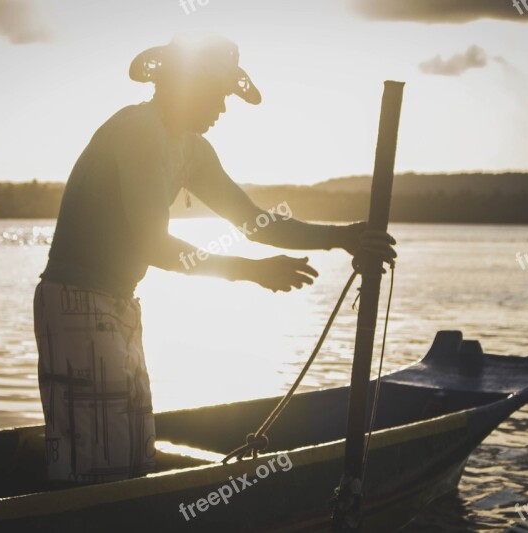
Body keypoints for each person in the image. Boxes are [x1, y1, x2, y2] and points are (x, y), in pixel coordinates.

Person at [33, 32, 396, 484]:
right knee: (93, 463)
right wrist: (249, 272)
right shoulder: (137, 130)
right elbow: (155, 245)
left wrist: (340, 237)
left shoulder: (192, 150)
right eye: (216, 94)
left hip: (121, 303)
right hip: (76, 301)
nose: (222, 110)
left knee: (133, 454)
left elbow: (255, 221)